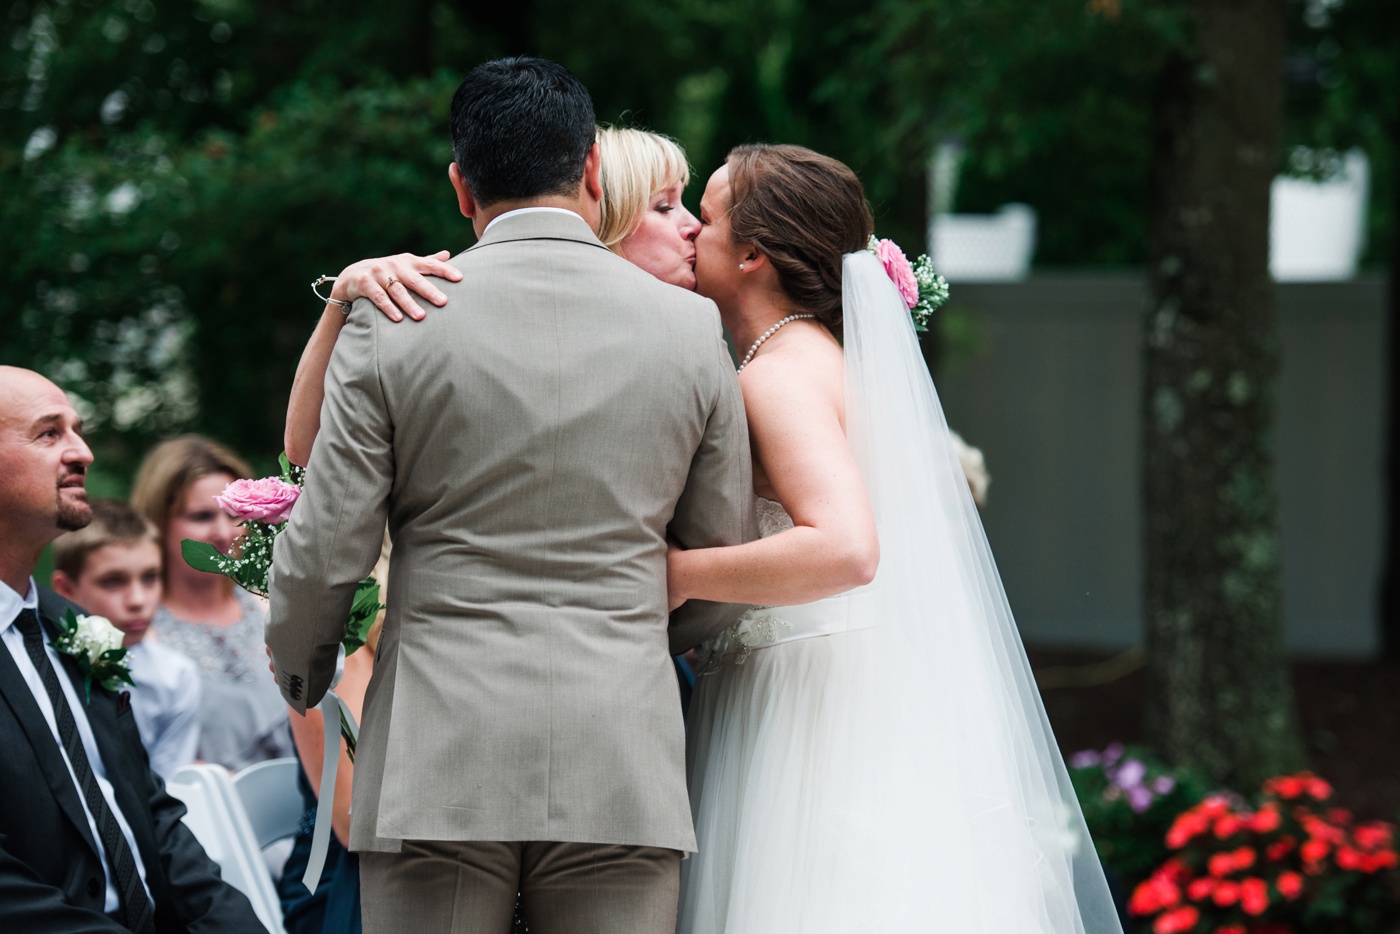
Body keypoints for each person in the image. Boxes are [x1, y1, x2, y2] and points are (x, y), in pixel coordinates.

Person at [265, 56, 755, 934]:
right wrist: (638, 640)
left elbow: (326, 537)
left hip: (438, 754)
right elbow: (718, 553)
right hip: (619, 749)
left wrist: (303, 668)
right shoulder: (689, 330)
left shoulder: (396, 319)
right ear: (594, 171)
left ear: (461, 187)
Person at [0, 365, 263, 933]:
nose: (83, 452)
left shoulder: (77, 628)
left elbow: (150, 809)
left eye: (77, 429)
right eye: (49, 433)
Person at [131, 435, 295, 772]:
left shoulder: (273, 607)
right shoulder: (139, 632)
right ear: (159, 522)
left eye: (233, 515)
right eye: (201, 516)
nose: (223, 532)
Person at [50, 498, 202, 780]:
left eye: (150, 577)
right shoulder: (41, 667)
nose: (137, 600)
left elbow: (169, 782)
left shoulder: (174, 677)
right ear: (65, 589)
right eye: (113, 581)